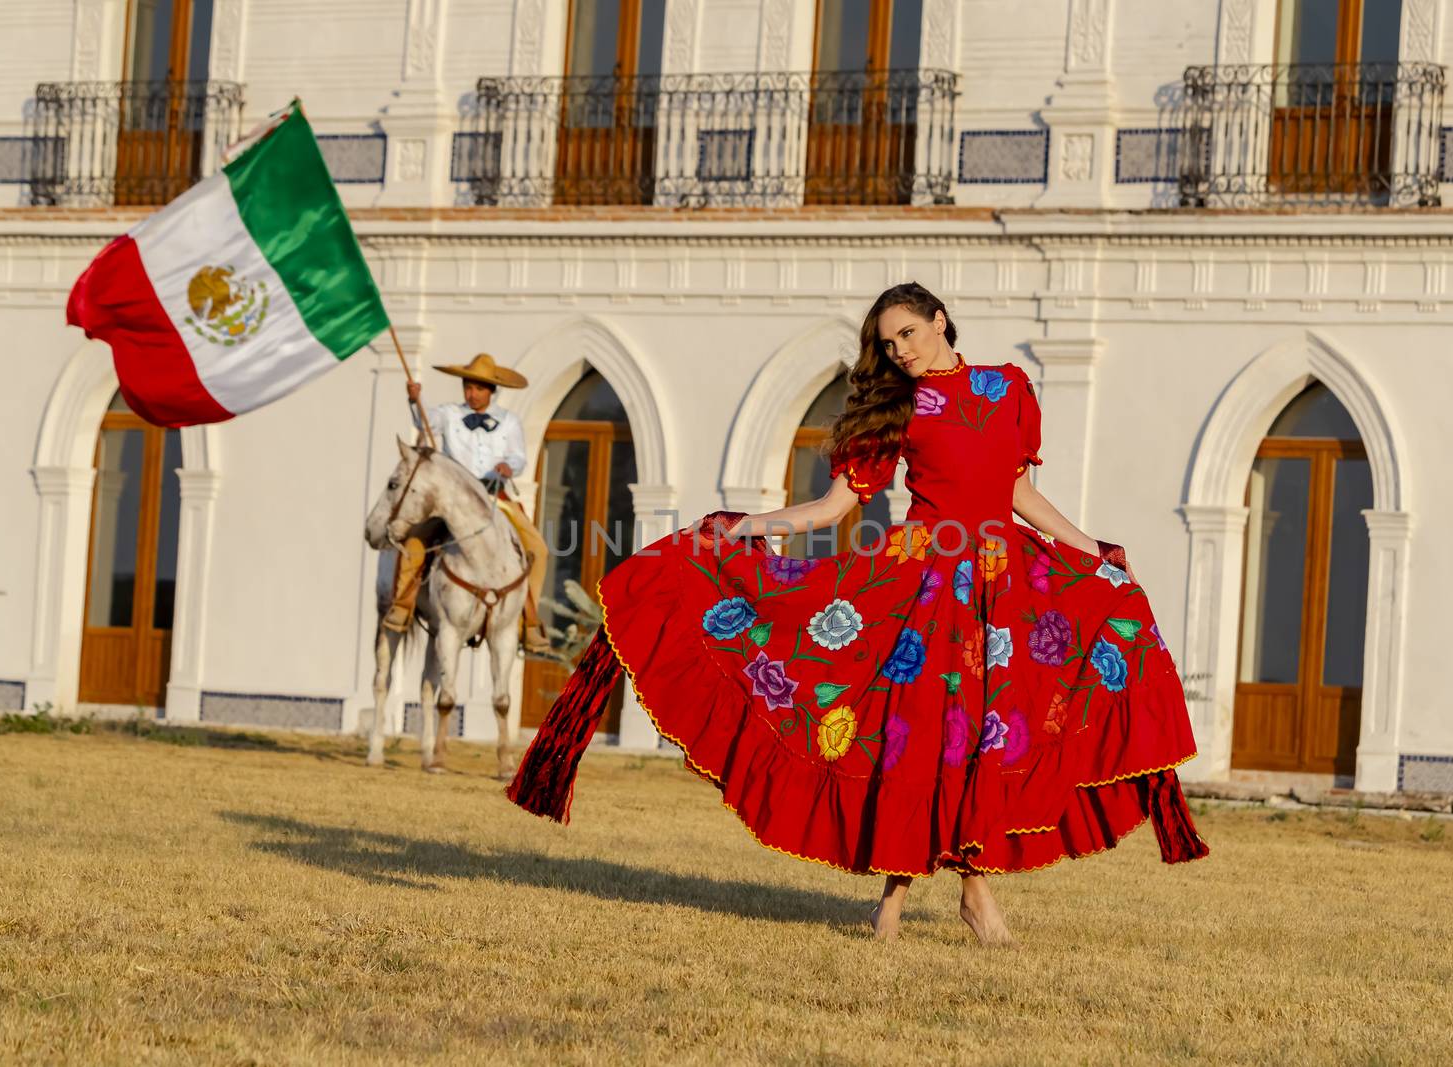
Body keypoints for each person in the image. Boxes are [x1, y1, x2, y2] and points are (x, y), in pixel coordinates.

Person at [507, 283, 1208, 943]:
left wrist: (1094, 549)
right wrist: (746, 526)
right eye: (889, 342)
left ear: (940, 319)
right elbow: (834, 507)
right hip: (924, 584)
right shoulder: (896, 407)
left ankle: (948, 894)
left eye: (908, 332)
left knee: (981, 739)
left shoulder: (1010, 388)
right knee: (921, 736)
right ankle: (920, 897)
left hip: (1004, 583)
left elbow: (1020, 491)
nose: (900, 349)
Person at [388, 352, 554, 656]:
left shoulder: (509, 422)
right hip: (452, 501)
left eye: (478, 388)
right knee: (414, 542)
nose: (472, 393)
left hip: (495, 497)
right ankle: (402, 604)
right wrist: (415, 400)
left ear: (491, 391)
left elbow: (518, 456)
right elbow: (423, 418)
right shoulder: (450, 413)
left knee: (538, 550)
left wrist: (508, 466)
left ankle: (527, 622)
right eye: (468, 387)